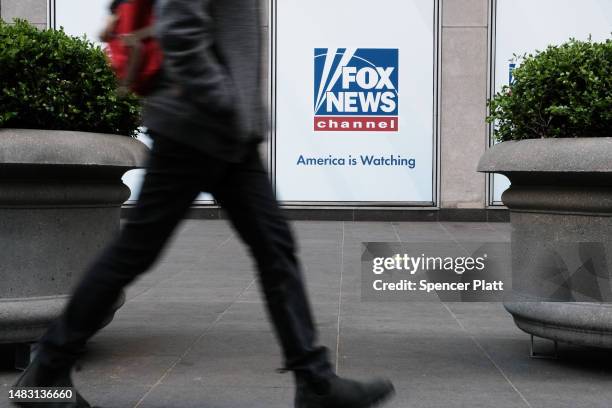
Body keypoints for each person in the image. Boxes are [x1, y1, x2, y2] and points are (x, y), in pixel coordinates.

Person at [13, 1, 396, 407]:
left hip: (223, 130)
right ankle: (46, 371)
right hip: (197, 126)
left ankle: (315, 381)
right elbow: (180, 26)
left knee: (273, 249)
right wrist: (224, 100)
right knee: (138, 252)